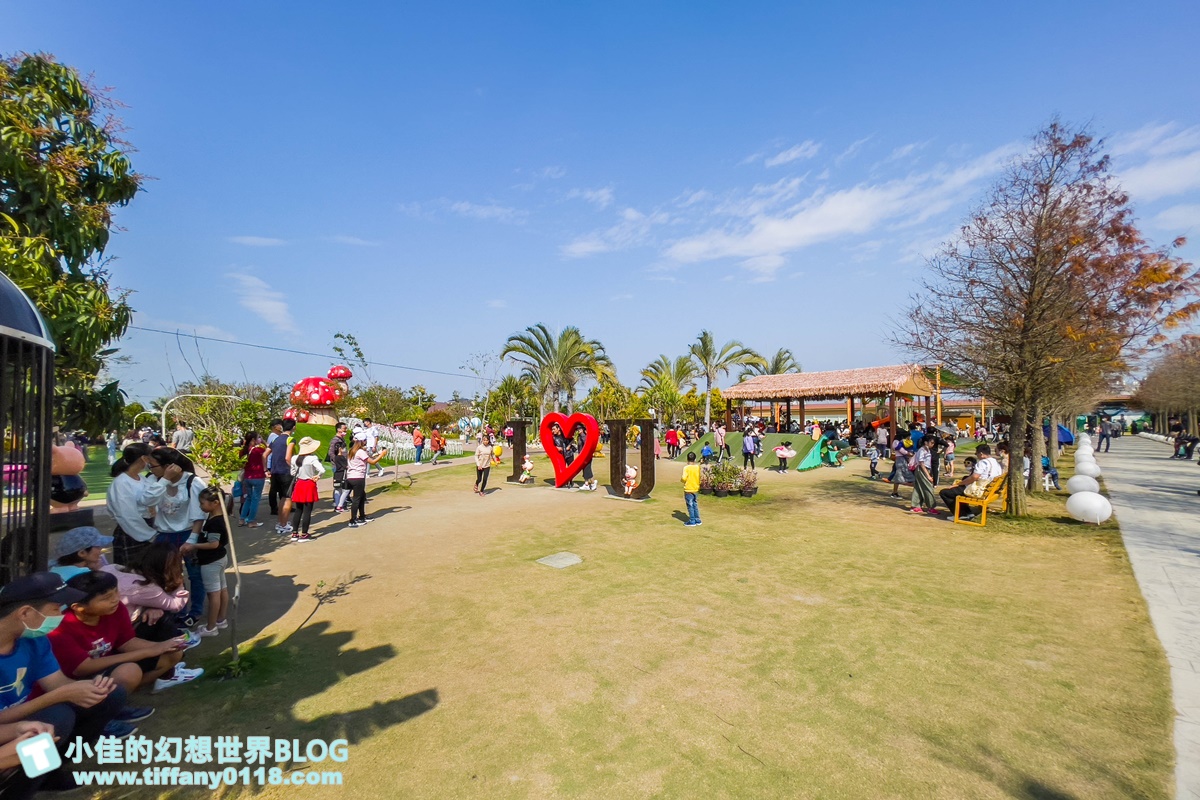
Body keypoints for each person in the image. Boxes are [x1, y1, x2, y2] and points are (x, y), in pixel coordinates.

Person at [0, 573, 133, 794]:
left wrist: (89, 689)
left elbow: (58, 683)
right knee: (58, 718)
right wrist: (60, 695)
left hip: (21, 720)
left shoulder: (34, 640)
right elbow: (57, 694)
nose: (61, 614)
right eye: (55, 608)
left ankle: (48, 772)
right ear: (25, 613)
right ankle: (17, 790)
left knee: (109, 696)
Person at [50, 571, 198, 697]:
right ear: (78, 607)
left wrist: (165, 646)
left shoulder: (115, 609)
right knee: (129, 672)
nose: (115, 599)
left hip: (109, 663)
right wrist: (150, 650)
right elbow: (83, 668)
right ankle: (106, 708)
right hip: (76, 679)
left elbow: (126, 642)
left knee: (173, 655)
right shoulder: (61, 628)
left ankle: (117, 696)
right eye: (106, 598)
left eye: (116, 592)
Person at [146, 447, 206, 624]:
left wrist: (192, 540)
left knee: (194, 574)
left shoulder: (192, 482)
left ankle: (194, 612)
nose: (150, 470)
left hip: (188, 533)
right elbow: (146, 500)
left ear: (169, 466)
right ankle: (176, 610)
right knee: (166, 575)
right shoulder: (154, 480)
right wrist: (164, 479)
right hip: (164, 534)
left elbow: (199, 515)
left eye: (153, 466)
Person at [106, 443, 179, 569]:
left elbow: (149, 500)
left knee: (149, 571)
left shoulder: (141, 478)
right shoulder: (121, 483)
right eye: (151, 458)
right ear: (144, 458)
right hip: (132, 531)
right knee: (134, 574)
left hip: (147, 528)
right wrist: (149, 535)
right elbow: (126, 515)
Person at [194, 488, 231, 636]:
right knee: (222, 589)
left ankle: (211, 627)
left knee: (213, 593)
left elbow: (213, 543)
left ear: (215, 503)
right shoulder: (219, 517)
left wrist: (193, 545)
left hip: (211, 561)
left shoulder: (215, 523)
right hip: (220, 558)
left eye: (202, 503)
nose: (200, 506)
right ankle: (221, 619)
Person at [938, 444, 1002, 520]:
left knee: (945, 493)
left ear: (981, 454)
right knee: (962, 483)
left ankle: (960, 514)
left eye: (976, 453)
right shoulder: (995, 462)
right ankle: (968, 513)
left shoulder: (982, 463)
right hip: (989, 489)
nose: (976, 455)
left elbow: (974, 477)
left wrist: (958, 484)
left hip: (979, 490)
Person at [288, 437, 326, 542]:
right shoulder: (312, 459)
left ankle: (294, 533)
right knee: (307, 511)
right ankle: (304, 534)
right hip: (309, 484)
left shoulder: (294, 458)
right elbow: (322, 469)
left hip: (299, 483)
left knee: (298, 510)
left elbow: (292, 472)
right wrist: (317, 476)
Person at [267, 419, 296, 534]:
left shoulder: (275, 439)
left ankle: (281, 523)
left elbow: (265, 454)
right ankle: (284, 524)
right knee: (288, 498)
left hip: (275, 472)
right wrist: (293, 469)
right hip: (286, 473)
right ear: (293, 427)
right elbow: (287, 457)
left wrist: (266, 469)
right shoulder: (290, 439)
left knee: (282, 499)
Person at [239, 432, 267, 527]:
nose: (259, 439)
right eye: (258, 437)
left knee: (248, 499)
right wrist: (263, 441)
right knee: (255, 499)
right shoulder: (259, 450)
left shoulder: (243, 450)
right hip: (258, 477)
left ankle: (242, 519)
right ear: (253, 440)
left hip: (247, 477)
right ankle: (251, 521)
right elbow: (269, 450)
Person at [911, 436, 940, 515]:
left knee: (918, 487)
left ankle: (915, 505)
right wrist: (928, 475)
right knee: (928, 487)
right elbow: (921, 463)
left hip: (926, 469)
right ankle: (931, 506)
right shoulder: (922, 450)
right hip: (922, 469)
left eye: (934, 443)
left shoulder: (928, 450)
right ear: (926, 442)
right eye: (931, 443)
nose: (933, 445)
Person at [328, 423, 350, 512]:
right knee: (339, 485)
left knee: (341, 485)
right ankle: (338, 504)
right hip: (338, 467)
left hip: (343, 465)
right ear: (338, 429)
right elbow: (331, 453)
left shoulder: (342, 440)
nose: (346, 431)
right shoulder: (335, 441)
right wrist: (338, 461)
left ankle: (340, 503)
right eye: (344, 429)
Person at [681, 452, 702, 527]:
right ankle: (697, 519)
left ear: (687, 459)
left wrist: (682, 481)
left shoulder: (686, 468)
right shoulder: (697, 467)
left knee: (690, 505)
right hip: (695, 488)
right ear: (695, 459)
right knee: (695, 504)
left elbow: (684, 478)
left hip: (688, 489)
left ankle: (692, 520)